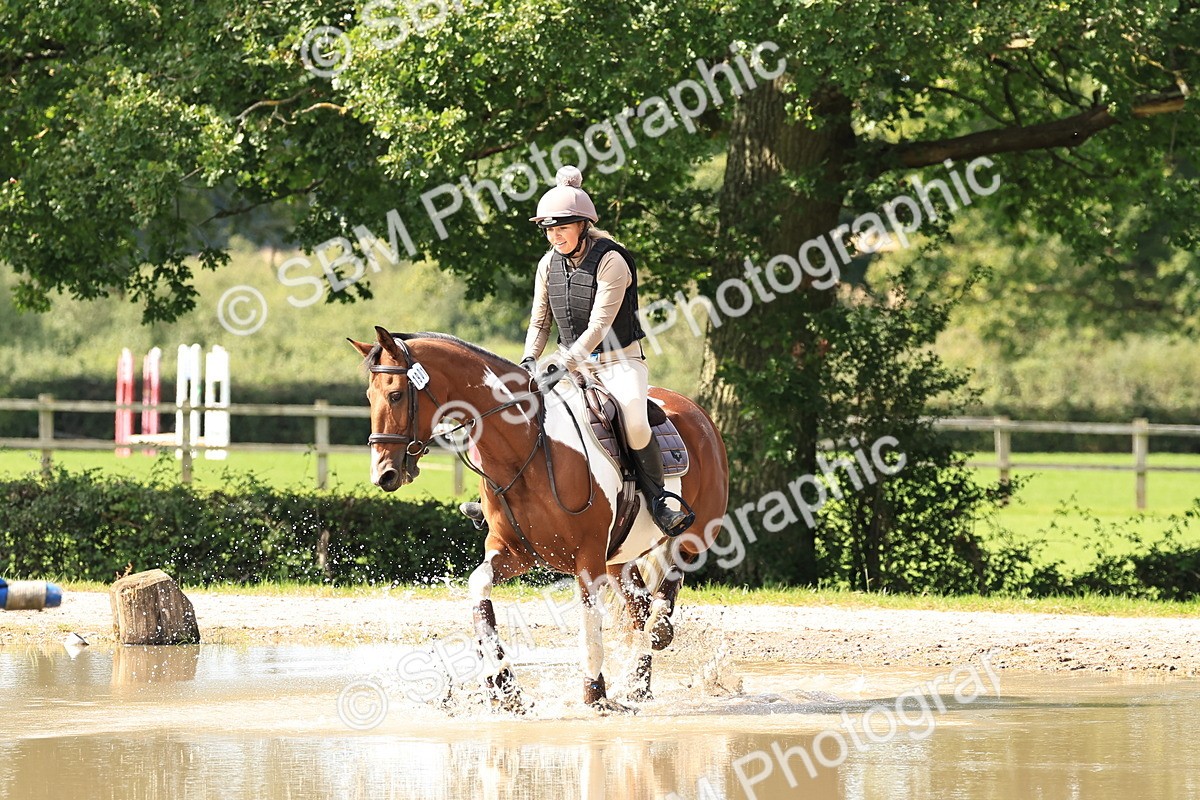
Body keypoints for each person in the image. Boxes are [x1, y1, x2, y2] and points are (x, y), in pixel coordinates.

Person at [519, 165, 690, 537]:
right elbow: (540, 322)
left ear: (582, 225)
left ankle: (660, 499)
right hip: (569, 364)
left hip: (619, 362)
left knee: (634, 420)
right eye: (549, 230)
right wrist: (530, 360)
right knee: (522, 414)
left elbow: (599, 326)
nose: (555, 237)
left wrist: (563, 362)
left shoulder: (613, 260)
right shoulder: (547, 264)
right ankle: (505, 501)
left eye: (562, 228)